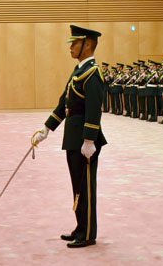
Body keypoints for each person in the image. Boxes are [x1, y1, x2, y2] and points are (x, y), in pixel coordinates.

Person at [32, 25, 106, 248]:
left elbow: (94, 109)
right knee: (77, 186)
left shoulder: (93, 74)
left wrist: (89, 139)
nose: (70, 47)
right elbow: (64, 103)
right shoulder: (78, 71)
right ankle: (80, 227)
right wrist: (46, 128)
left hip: (85, 140)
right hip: (73, 137)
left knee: (86, 187)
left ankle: (88, 233)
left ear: (88, 44)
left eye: (75, 43)